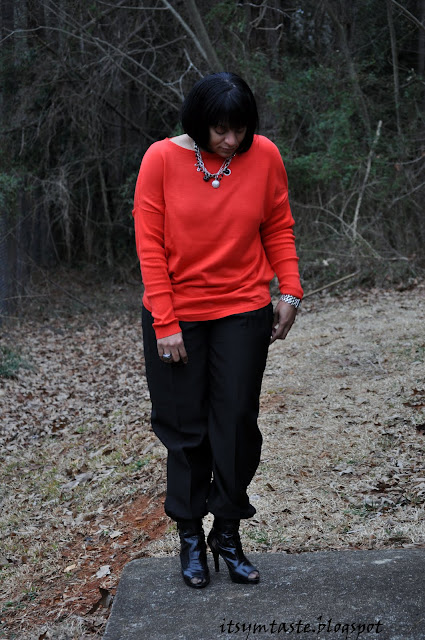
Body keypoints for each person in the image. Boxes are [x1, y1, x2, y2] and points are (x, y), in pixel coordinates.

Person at [133, 72, 303, 589]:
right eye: (221, 130)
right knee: (184, 429)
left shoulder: (264, 156)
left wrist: (290, 290)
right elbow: (149, 244)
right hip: (177, 316)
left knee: (236, 425)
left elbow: (277, 224)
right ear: (198, 121)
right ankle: (189, 534)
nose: (232, 140)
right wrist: (165, 322)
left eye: (241, 129)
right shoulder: (160, 160)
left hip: (243, 310)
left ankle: (226, 532)